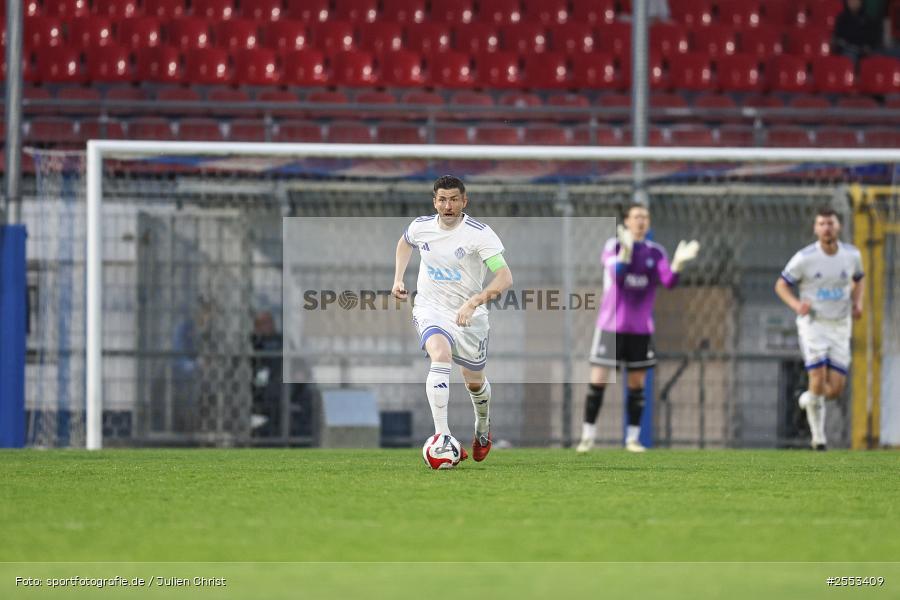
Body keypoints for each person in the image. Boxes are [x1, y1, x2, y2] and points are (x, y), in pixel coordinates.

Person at [392, 175, 513, 463]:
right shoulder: (421, 227)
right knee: (440, 354)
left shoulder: (479, 234)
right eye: (442, 200)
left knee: (473, 381)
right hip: (430, 307)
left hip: (470, 316)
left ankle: (482, 427)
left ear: (464, 201)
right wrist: (397, 279)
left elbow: (505, 277)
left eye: (454, 199)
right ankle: (443, 436)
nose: (448, 205)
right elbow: (404, 242)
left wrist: (473, 302)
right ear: (434, 202)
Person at [576, 203, 699, 453]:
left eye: (645, 217)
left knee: (636, 384)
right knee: (598, 381)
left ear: (649, 223)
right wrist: (625, 254)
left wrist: (677, 266)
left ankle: (632, 438)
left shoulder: (655, 252)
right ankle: (587, 436)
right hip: (611, 327)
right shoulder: (615, 246)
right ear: (627, 221)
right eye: (636, 217)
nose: (641, 221)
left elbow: (669, 282)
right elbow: (618, 274)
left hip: (640, 329)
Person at [775, 207, 864, 451]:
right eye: (822, 224)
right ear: (815, 229)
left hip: (840, 325)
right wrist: (796, 305)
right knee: (817, 376)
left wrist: (858, 303)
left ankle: (809, 399)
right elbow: (781, 284)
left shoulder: (851, 255)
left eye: (830, 223)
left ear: (838, 227)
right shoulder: (805, 258)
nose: (826, 227)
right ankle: (818, 439)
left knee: (834, 389)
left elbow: (859, 279)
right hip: (813, 324)